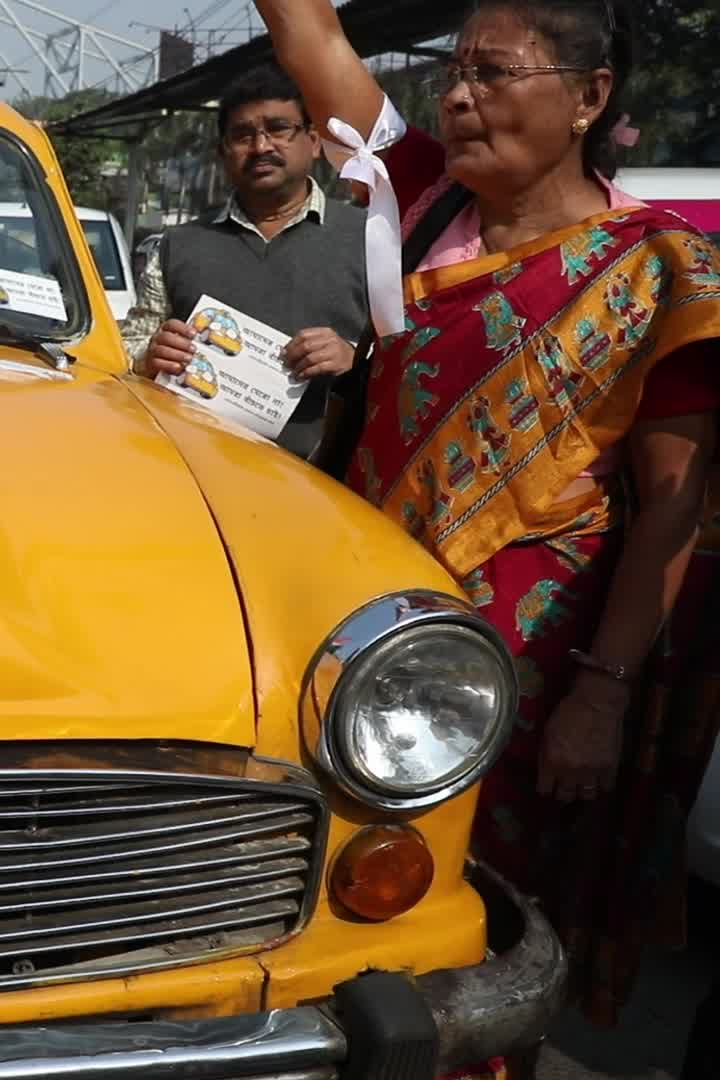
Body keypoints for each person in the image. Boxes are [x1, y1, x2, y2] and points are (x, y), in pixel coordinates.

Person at [252, 0, 720, 1041]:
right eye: (453, 72)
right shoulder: (422, 198)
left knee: (478, 939)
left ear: (591, 99)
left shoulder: (660, 271)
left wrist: (601, 693)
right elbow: (309, 39)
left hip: (522, 684)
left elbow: (668, 514)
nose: (457, 96)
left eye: (494, 74)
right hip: (361, 643)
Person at [124, 64, 370, 459]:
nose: (261, 147)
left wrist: (356, 358)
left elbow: (414, 356)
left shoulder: (371, 237)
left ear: (313, 141)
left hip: (334, 484)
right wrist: (148, 357)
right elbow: (128, 348)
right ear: (223, 152)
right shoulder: (177, 246)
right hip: (198, 475)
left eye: (278, 128)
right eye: (242, 135)